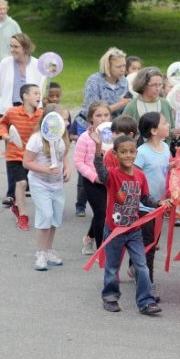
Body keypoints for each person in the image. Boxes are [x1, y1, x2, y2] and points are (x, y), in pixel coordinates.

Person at [91, 130, 168, 315]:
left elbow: (145, 198)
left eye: (132, 151)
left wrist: (159, 203)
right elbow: (100, 172)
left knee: (141, 266)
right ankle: (110, 297)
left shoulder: (140, 176)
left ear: (136, 153)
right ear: (115, 155)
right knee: (112, 266)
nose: (128, 155)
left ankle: (146, 302)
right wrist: (98, 148)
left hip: (134, 230)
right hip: (114, 230)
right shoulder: (112, 175)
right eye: (123, 152)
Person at [22, 104, 71, 270]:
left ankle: (49, 250)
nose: (67, 123)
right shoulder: (36, 139)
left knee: (55, 218)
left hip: (56, 185)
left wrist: (67, 168)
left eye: (66, 119)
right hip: (39, 183)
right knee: (46, 215)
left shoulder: (63, 136)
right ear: (50, 121)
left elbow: (63, 155)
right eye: (63, 119)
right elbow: (26, 162)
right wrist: (45, 170)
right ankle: (40, 253)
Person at [131, 112, 171, 297]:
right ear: (154, 130)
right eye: (164, 122)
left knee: (151, 244)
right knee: (149, 248)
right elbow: (133, 177)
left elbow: (165, 172)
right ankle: (148, 286)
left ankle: (135, 267)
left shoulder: (165, 148)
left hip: (159, 207)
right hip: (144, 208)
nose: (168, 124)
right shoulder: (142, 153)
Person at [0, 83, 42, 230]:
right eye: (35, 93)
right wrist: (4, 134)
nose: (39, 96)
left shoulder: (41, 115)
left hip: (33, 157)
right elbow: (2, 124)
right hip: (15, 155)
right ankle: (23, 216)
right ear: (25, 96)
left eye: (39, 93)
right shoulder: (12, 112)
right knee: (21, 183)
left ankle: (17, 207)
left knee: (30, 186)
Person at [75, 101, 111, 255]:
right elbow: (78, 162)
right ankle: (101, 250)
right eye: (98, 115)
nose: (103, 118)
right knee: (101, 213)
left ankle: (89, 237)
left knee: (103, 213)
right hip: (92, 182)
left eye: (106, 115)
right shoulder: (85, 137)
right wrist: (93, 177)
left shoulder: (113, 137)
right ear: (91, 119)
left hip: (109, 181)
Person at [73, 47, 130, 136]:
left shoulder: (124, 81)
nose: (123, 69)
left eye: (124, 65)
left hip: (113, 127)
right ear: (107, 66)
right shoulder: (94, 81)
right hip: (89, 126)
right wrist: (120, 104)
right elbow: (91, 111)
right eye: (119, 66)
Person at [123, 67, 177, 146]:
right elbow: (123, 132)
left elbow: (171, 129)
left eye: (160, 84)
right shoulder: (132, 106)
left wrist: (174, 132)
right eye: (154, 85)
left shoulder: (165, 103)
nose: (158, 88)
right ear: (143, 85)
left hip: (162, 151)